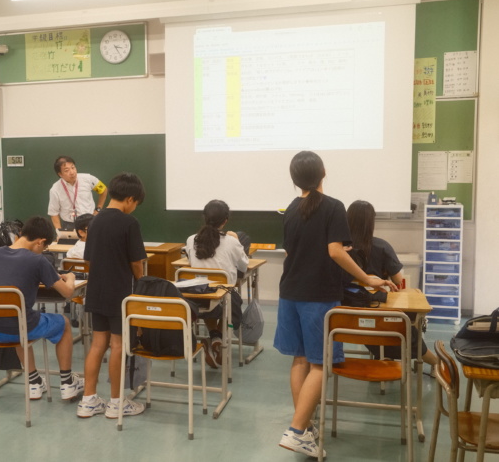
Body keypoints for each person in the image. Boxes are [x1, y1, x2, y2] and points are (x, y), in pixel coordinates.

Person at [274, 151, 397, 458]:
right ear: (323, 172)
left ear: (294, 179)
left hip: (290, 292)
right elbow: (336, 252)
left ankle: (304, 425)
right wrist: (369, 278)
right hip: (318, 295)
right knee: (320, 363)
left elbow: (291, 253)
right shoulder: (333, 207)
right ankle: (297, 430)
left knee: (300, 360)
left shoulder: (289, 209)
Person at [0, 216, 85, 401]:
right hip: (18, 329)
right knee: (64, 323)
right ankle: (67, 382)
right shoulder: (38, 261)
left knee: (20, 319)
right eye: (45, 248)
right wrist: (69, 276)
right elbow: (68, 293)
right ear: (41, 242)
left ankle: (34, 382)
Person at [77, 172, 147, 419]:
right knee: (117, 345)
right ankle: (117, 403)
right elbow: (136, 263)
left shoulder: (94, 221)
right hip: (120, 293)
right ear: (129, 199)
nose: (134, 207)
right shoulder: (130, 223)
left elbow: (88, 259)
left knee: (98, 344)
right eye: (136, 203)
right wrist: (142, 284)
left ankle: (88, 400)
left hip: (96, 290)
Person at [346, 200, 438, 367]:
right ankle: (435, 363)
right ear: (371, 222)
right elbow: (399, 281)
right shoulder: (381, 246)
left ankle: (384, 355)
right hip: (379, 315)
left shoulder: (339, 250)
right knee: (406, 323)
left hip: (346, 319)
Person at [185, 199, 248, 368]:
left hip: (198, 296)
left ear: (204, 217)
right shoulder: (232, 241)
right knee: (230, 301)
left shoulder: (191, 240)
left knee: (210, 300)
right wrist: (237, 240)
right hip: (224, 297)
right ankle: (217, 338)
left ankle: (213, 338)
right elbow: (244, 265)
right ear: (225, 220)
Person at [48, 156, 107, 231]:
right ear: (60, 174)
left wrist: (98, 209)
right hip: (69, 225)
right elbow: (54, 213)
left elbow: (103, 190)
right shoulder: (55, 189)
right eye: (66, 170)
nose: (72, 172)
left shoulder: (88, 179)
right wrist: (59, 232)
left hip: (91, 221)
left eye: (73, 167)